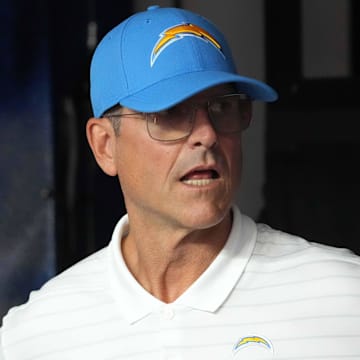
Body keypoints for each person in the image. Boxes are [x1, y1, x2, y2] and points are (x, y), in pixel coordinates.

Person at [1, 5, 359, 360]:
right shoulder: (36, 334)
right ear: (105, 146)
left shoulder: (344, 301)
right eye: (169, 113)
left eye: (222, 107)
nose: (207, 134)